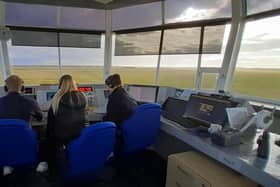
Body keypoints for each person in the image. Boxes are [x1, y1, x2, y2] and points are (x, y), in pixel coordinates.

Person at [46, 74, 87, 174]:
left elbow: (50, 124)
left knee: (46, 139)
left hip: (62, 138)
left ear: (60, 85)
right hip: (79, 135)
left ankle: (51, 168)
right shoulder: (83, 96)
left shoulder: (56, 99)